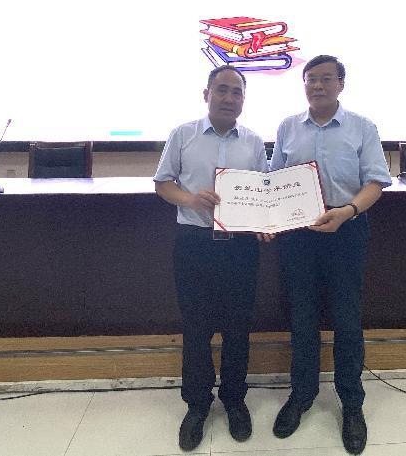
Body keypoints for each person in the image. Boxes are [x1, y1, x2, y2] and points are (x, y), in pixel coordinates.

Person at [269, 54, 391, 455]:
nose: (317, 86)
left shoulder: (362, 127)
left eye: (325, 79)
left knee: (346, 319)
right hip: (298, 235)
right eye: (310, 79)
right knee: (302, 317)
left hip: (346, 230)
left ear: (341, 84)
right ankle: (301, 395)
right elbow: (275, 182)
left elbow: (375, 182)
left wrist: (347, 211)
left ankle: (351, 403)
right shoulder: (288, 127)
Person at [154, 65, 268, 452]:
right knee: (196, 328)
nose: (229, 98)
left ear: (243, 100)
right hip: (194, 243)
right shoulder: (183, 134)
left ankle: (234, 400)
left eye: (237, 92)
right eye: (222, 90)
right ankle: (197, 405)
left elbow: (262, 194)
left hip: (240, 246)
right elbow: (163, 184)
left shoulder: (253, 142)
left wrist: (264, 223)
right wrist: (191, 198)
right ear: (206, 94)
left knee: (238, 328)